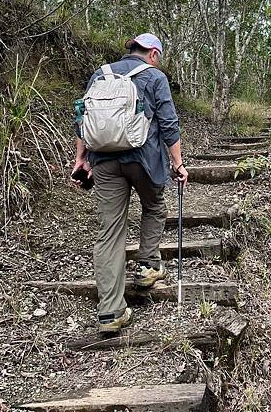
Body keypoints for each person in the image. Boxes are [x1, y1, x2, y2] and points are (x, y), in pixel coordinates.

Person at [71, 33, 188, 333]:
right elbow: (168, 122)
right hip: (144, 158)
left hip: (104, 161)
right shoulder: (155, 76)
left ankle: (110, 312)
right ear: (152, 54)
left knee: (110, 230)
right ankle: (148, 265)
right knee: (154, 206)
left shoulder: (101, 74)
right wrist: (178, 164)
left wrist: (80, 160)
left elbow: (82, 119)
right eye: (157, 56)